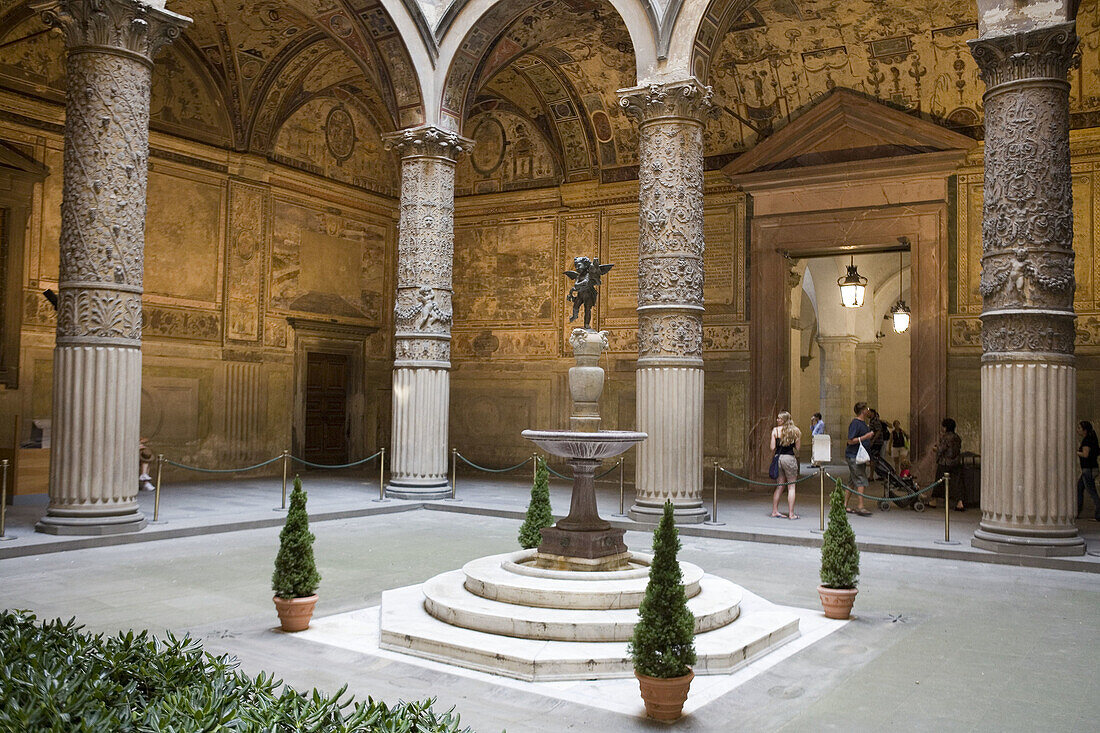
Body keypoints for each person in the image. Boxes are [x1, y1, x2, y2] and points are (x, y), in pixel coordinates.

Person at [770, 411, 802, 519]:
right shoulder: (795, 431)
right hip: (789, 458)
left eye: (779, 418)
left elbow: (772, 447)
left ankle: (775, 511)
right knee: (791, 487)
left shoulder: (775, 430)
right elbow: (798, 448)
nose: (777, 420)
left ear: (784, 420)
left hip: (778, 458)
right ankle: (791, 514)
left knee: (780, 486)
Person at [845, 402, 874, 516]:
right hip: (854, 456)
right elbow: (850, 440)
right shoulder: (855, 423)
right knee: (861, 479)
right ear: (863, 411)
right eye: (867, 409)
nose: (868, 410)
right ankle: (860, 506)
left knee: (852, 481)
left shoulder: (863, 423)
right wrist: (866, 437)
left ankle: (844, 505)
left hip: (858, 456)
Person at [929, 418, 963, 510]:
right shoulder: (957, 437)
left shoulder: (945, 437)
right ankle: (960, 503)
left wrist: (935, 449)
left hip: (944, 463)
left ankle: (933, 501)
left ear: (946, 427)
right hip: (956, 462)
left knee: (939, 481)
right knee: (956, 483)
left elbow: (941, 449)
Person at [1076, 420, 1100, 521]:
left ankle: (1099, 514)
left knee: (1092, 493)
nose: (1078, 430)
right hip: (1091, 469)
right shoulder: (1092, 438)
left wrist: (1075, 452)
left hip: (1088, 470)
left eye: (1079, 428)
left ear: (1085, 430)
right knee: (1079, 488)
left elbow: (1085, 455)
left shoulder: (1087, 440)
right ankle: (1076, 512)